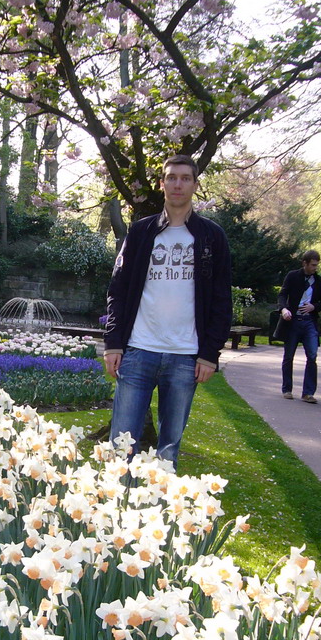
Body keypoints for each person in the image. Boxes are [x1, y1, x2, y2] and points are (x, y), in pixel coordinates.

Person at [102, 154, 232, 471]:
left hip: (185, 357)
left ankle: (158, 515)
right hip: (138, 351)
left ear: (195, 185)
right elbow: (117, 291)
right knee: (122, 449)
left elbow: (220, 300)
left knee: (168, 453)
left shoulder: (211, 238)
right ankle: (117, 514)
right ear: (162, 184)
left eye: (185, 178)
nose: (178, 184)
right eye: (171, 177)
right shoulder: (140, 233)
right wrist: (114, 343)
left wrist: (209, 353)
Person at [275, 250, 321, 403]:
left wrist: (314, 307)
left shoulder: (318, 281)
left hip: (309, 322)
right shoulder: (293, 276)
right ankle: (287, 389)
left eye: (317, 265)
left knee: (312, 356)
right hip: (293, 321)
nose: (315, 268)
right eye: (312, 265)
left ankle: (308, 393)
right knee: (289, 356)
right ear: (304, 263)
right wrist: (284, 309)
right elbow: (282, 294)